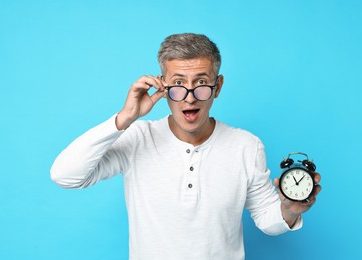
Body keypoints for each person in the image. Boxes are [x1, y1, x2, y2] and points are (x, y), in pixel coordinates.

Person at [51, 33, 321, 260]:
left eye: (201, 83)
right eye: (178, 84)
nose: (189, 97)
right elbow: (65, 175)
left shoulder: (246, 146)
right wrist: (125, 118)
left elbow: (267, 220)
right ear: (162, 85)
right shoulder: (138, 138)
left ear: (218, 87)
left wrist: (289, 210)